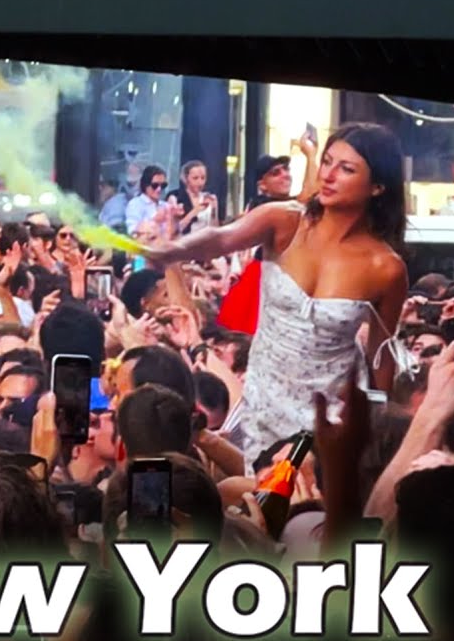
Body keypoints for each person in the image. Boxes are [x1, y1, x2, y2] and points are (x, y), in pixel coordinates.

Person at [145, 123, 408, 463]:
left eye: (346, 169)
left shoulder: (386, 268)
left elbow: (381, 355)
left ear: (377, 186)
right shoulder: (284, 221)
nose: (328, 175)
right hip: (263, 405)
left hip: (333, 420)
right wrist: (175, 249)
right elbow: (222, 238)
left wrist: (380, 433)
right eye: (326, 162)